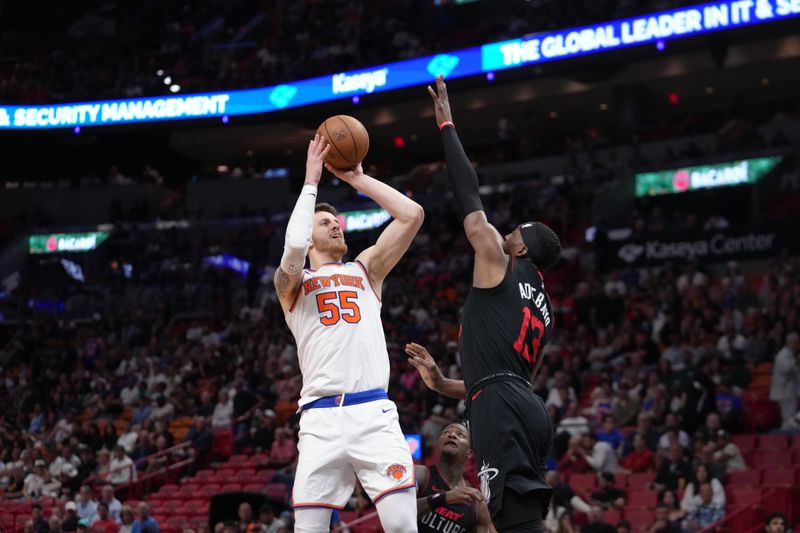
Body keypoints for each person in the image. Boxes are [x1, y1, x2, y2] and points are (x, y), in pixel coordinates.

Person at [415, 75, 561, 532]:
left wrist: (446, 125)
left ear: (521, 248)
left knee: (511, 523)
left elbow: (468, 195)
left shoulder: (499, 257)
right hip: (526, 407)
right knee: (520, 518)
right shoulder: (545, 307)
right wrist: (441, 384)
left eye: (516, 231)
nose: (507, 231)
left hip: (500, 407)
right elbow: (503, 375)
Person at [273, 134, 424, 533]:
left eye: (337, 221)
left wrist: (358, 179)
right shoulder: (292, 286)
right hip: (320, 418)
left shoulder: (366, 269)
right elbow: (291, 244)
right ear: (309, 236)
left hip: (373, 412)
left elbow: (412, 215)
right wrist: (311, 181)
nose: (336, 226)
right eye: (325, 223)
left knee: (404, 528)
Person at [414, 423, 492, 533]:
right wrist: (445, 497)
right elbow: (397, 513)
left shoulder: (477, 505)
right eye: (446, 432)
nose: (452, 435)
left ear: (469, 453)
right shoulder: (419, 474)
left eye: (460, 435)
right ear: (437, 446)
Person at [769, 333, 799, 428]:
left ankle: (789, 437)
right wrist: (797, 361)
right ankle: (785, 437)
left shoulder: (791, 355)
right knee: (788, 417)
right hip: (784, 392)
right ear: (789, 342)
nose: (797, 346)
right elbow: (786, 369)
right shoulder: (782, 355)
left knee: (791, 416)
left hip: (790, 392)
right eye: (795, 343)